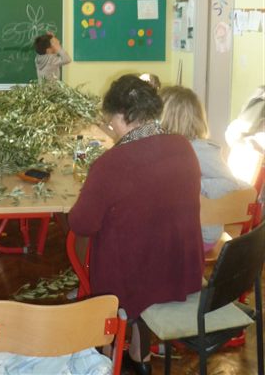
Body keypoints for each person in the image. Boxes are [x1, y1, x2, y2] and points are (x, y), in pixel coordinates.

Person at [68, 75, 203, 375]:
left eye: (111, 120)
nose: (110, 126)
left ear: (123, 116)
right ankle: (140, 356)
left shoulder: (110, 163)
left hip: (133, 283)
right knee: (143, 240)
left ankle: (107, 353)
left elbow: (82, 223)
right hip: (180, 270)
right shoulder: (183, 147)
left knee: (101, 246)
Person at [160, 85, 251, 250]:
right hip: (180, 228)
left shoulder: (200, 150)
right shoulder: (171, 147)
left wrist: (196, 186)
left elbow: (229, 182)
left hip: (200, 235)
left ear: (169, 118)